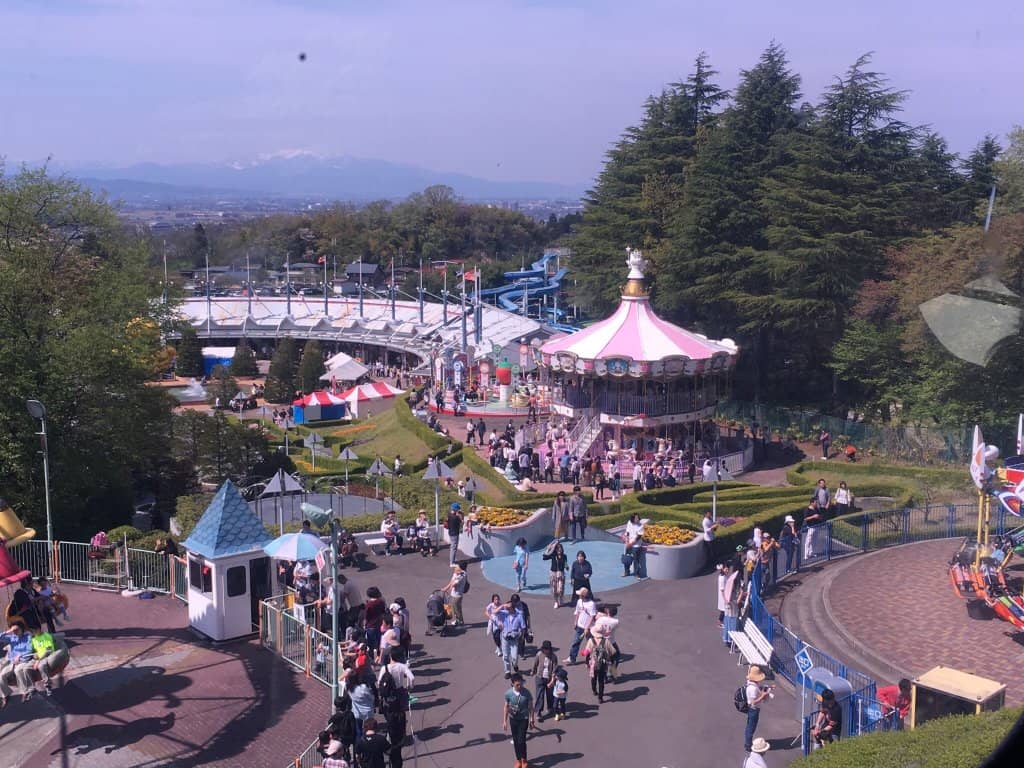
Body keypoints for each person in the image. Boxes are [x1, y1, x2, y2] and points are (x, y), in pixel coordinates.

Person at [377, 649, 414, 768]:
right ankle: (400, 734)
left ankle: (391, 735)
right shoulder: (402, 666)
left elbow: (379, 682)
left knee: (390, 716)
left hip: (389, 696)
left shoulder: (385, 668)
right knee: (400, 714)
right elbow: (411, 677)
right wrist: (409, 687)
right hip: (400, 693)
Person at [502, 672, 535, 768]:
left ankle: (524, 759)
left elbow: (531, 707)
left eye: (521, 684)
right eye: (517, 685)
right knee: (516, 741)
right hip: (513, 719)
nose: (520, 686)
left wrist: (532, 719)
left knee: (521, 740)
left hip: (523, 719)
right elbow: (506, 706)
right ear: (512, 684)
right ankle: (518, 760)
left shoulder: (526, 693)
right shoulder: (508, 694)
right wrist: (504, 721)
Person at [744, 665, 773, 753]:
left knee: (749, 726)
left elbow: (758, 689)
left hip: (752, 709)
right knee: (751, 728)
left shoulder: (752, 684)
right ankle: (748, 746)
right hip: (754, 709)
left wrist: (769, 688)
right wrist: (763, 695)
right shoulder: (752, 688)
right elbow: (753, 702)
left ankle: (747, 743)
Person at [495, 597, 527, 678]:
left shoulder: (519, 616)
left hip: (514, 638)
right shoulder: (504, 613)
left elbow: (523, 627)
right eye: (507, 608)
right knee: (505, 656)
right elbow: (494, 612)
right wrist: (503, 605)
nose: (507, 609)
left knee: (514, 656)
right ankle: (508, 671)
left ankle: (515, 664)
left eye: (509, 608)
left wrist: (522, 637)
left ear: (513, 608)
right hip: (505, 638)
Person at [566, 587, 596, 664]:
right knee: (575, 642)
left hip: (588, 628)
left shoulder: (591, 604)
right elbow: (578, 611)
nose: (578, 596)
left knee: (590, 644)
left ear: (583, 596)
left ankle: (592, 658)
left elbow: (592, 616)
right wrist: (575, 621)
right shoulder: (579, 601)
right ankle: (572, 658)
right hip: (580, 626)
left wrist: (587, 627)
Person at [531, 640, 558, 720]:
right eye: (545, 649)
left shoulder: (553, 657)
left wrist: (553, 679)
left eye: (548, 649)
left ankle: (550, 707)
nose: (546, 651)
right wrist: (533, 671)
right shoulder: (539, 655)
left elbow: (555, 668)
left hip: (549, 678)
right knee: (539, 695)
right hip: (540, 678)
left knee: (550, 694)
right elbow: (535, 664)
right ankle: (538, 712)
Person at [542, 541, 568, 609]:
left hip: (560, 574)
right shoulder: (553, 555)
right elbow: (544, 557)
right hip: (553, 574)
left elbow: (565, 563)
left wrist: (566, 566)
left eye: (560, 548)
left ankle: (561, 598)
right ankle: (556, 602)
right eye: (558, 549)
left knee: (560, 589)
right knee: (554, 590)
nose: (559, 550)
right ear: (556, 549)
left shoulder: (564, 556)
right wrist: (548, 549)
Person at [622, 513, 646, 579]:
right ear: (632, 519)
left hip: (636, 545)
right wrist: (626, 541)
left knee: (636, 560)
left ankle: (636, 574)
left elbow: (638, 537)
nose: (637, 519)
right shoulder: (629, 522)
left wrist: (630, 544)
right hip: (628, 543)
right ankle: (626, 572)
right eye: (636, 518)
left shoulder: (641, 526)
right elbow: (627, 532)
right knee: (626, 558)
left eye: (638, 518)